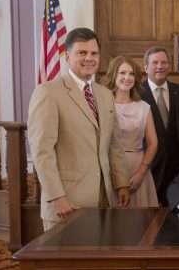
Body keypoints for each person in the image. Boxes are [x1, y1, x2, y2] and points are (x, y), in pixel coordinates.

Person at [27, 28, 130, 231]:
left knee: (97, 260)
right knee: (66, 263)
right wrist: (57, 196)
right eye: (82, 52)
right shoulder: (48, 92)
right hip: (67, 202)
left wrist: (121, 183)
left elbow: (114, 145)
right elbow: (42, 152)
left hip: (103, 198)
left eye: (94, 53)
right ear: (67, 56)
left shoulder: (105, 94)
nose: (89, 58)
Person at [103, 56, 159, 207]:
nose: (127, 78)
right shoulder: (102, 104)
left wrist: (141, 172)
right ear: (114, 75)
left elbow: (153, 143)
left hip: (138, 166)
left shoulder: (144, 107)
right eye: (122, 73)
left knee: (140, 223)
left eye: (132, 73)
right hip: (109, 167)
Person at [140, 47, 179, 206]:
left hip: (177, 168)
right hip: (149, 167)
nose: (160, 66)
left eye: (164, 62)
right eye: (155, 62)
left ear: (169, 66)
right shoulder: (136, 93)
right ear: (146, 67)